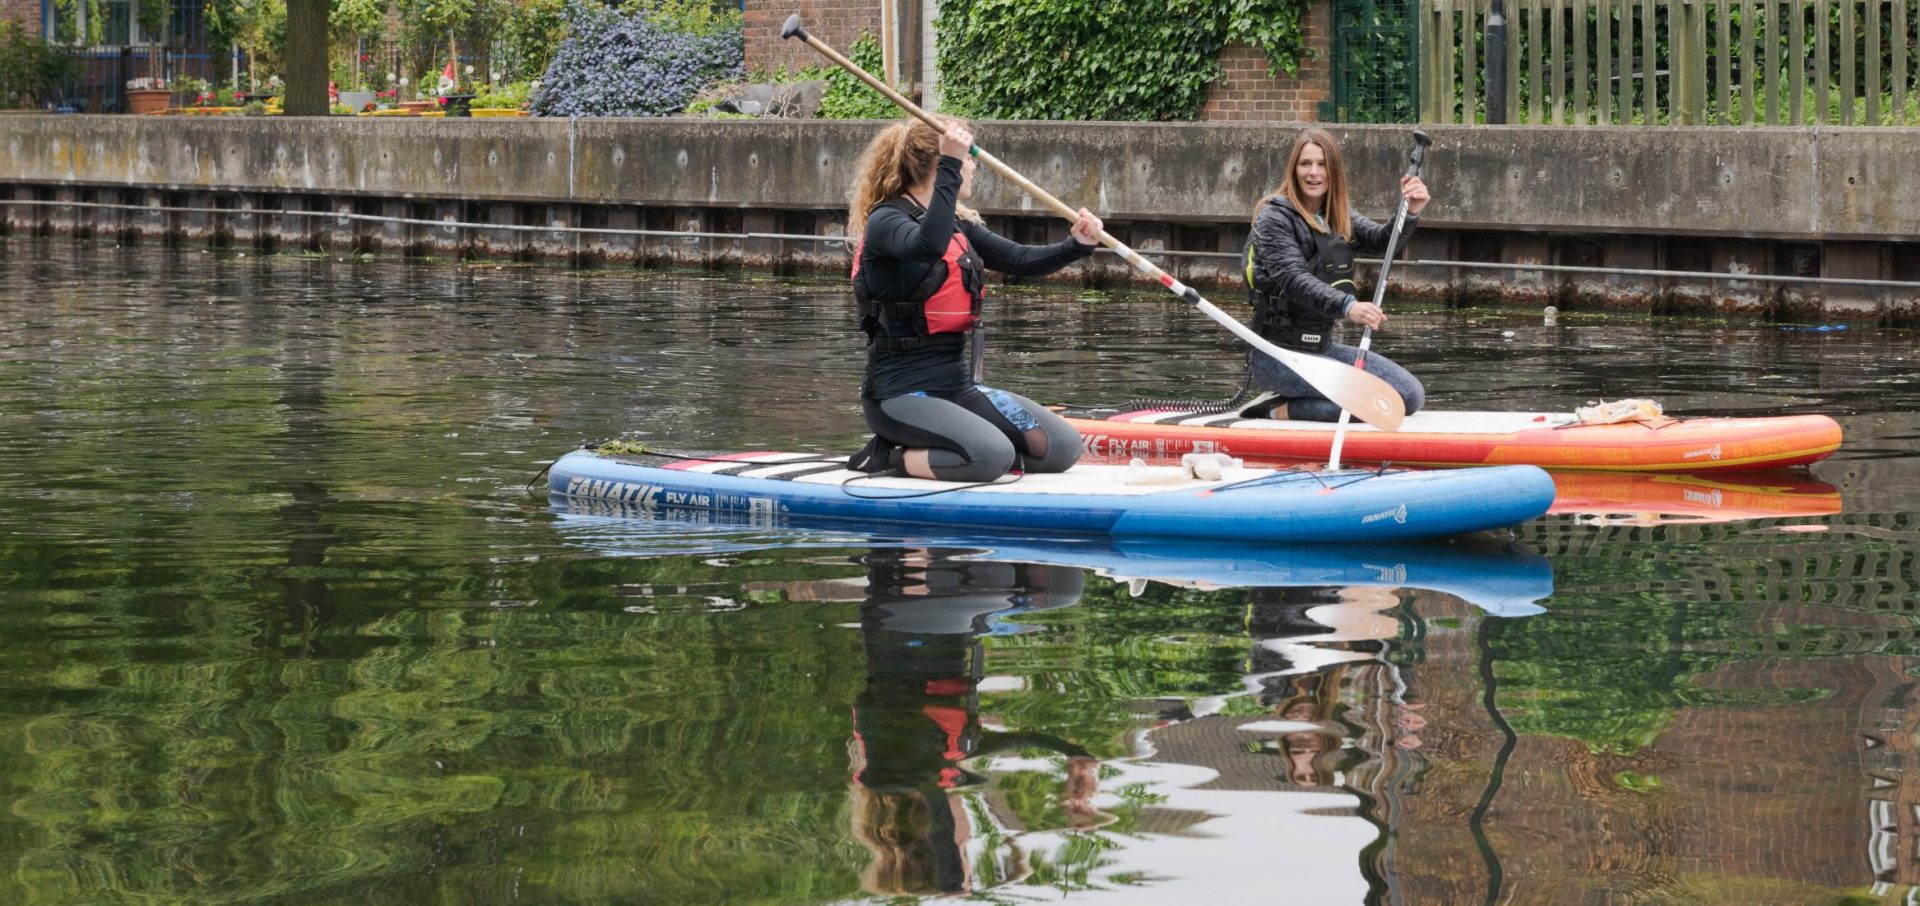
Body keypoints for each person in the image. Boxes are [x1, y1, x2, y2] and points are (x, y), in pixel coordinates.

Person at [846, 118, 1105, 481]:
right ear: (941, 165)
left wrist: (1077, 245)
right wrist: (951, 161)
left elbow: (1020, 260)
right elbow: (926, 246)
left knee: (1060, 447)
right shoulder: (886, 221)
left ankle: (971, 455)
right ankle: (888, 457)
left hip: (956, 387)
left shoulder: (956, 226)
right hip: (898, 395)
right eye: (969, 158)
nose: (973, 166)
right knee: (991, 454)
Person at [1242, 128, 1431, 422]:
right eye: (1305, 164)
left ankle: (1296, 401)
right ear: (1294, 169)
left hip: (1322, 348)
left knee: (1409, 395)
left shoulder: (1337, 215)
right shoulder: (1274, 217)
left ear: (1333, 171)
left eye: (1322, 165)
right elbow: (1294, 280)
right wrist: (1348, 306)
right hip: (1278, 355)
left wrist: (1410, 212)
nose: (1313, 172)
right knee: (1372, 404)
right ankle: (1275, 409)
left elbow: (1382, 241)